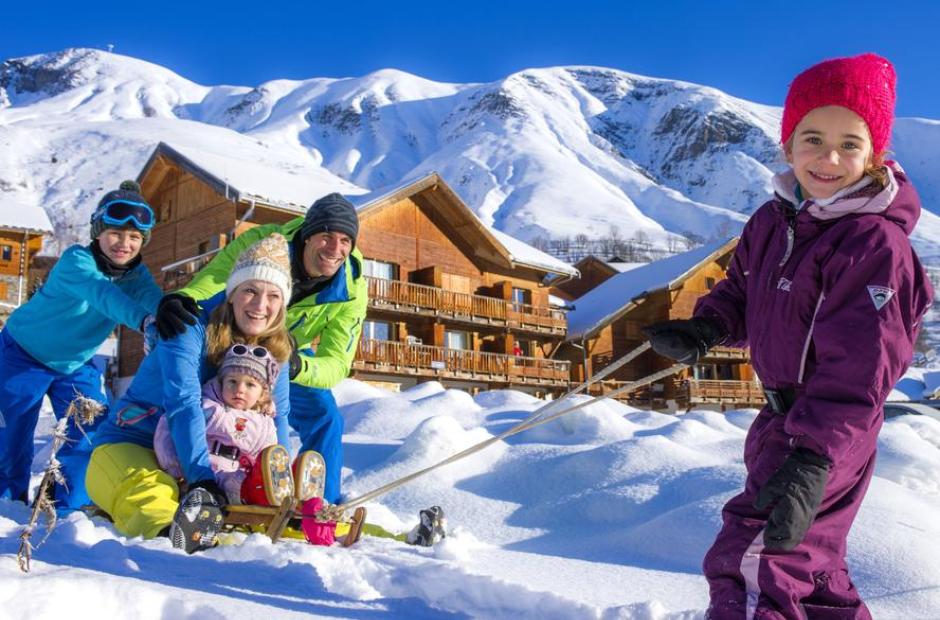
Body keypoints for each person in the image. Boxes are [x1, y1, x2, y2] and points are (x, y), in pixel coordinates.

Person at [644, 53, 933, 618]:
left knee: (753, 561)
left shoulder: (873, 244)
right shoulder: (773, 222)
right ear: (788, 144)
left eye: (850, 144)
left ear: (875, 155)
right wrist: (708, 326)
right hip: (780, 421)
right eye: (813, 138)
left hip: (826, 431)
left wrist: (815, 456)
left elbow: (863, 368)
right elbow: (741, 290)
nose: (829, 158)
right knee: (808, 568)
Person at [154, 193, 368, 504]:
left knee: (326, 417)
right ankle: (196, 472)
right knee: (203, 399)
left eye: (345, 240)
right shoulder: (264, 243)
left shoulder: (352, 288)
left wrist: (298, 366)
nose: (336, 249)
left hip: (288, 357)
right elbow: (217, 277)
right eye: (326, 236)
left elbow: (337, 362)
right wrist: (183, 298)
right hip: (233, 341)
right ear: (308, 235)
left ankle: (319, 505)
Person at [87, 234, 294, 553]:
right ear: (232, 294)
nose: (260, 305)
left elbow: (278, 419)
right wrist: (202, 479)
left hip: (213, 465)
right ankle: (173, 535)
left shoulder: (275, 351)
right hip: (134, 444)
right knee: (152, 491)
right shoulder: (189, 328)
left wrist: (281, 489)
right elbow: (183, 404)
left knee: (253, 500)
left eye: (273, 296)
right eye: (250, 290)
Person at [0, 181, 162, 512]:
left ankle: (61, 507)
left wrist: (171, 315)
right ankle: (8, 505)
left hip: (75, 364)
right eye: (115, 233)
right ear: (98, 233)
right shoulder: (76, 261)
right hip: (21, 356)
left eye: (134, 237)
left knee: (91, 432)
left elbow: (154, 300)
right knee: (12, 437)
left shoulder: (136, 276)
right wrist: (144, 321)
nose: (125, 243)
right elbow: (103, 295)